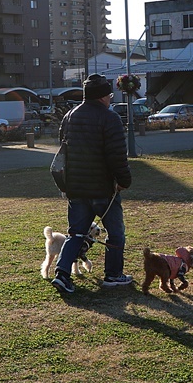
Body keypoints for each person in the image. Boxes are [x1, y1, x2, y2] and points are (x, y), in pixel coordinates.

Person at [51, 74, 133, 294]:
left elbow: (63, 149)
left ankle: (62, 274)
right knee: (115, 233)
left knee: (75, 233)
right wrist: (124, 181)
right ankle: (113, 274)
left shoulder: (69, 116)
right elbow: (117, 155)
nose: (110, 97)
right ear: (102, 96)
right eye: (108, 94)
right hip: (103, 188)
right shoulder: (110, 118)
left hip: (75, 187)